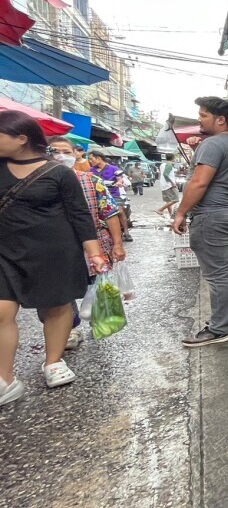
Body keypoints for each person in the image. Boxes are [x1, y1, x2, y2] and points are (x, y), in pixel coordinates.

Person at [0, 112, 110, 407]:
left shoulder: (60, 173)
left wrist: (95, 253)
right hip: (5, 252)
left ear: (21, 139)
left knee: (56, 306)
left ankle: (53, 361)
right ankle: (5, 379)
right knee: (1, 310)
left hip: (53, 251)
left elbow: (80, 215)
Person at [173, 97, 228, 347]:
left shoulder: (213, 144)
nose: (199, 119)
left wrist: (181, 212)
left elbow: (199, 182)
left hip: (213, 216)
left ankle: (218, 329)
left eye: (204, 115)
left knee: (218, 275)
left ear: (220, 120)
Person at [48, 136, 126, 349]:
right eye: (55, 151)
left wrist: (118, 244)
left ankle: (97, 315)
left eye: (66, 152)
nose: (61, 156)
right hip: (53, 247)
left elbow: (110, 212)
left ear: (76, 154)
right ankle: (69, 328)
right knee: (60, 289)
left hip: (92, 244)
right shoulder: (38, 182)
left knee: (95, 283)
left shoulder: (91, 181)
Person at [89, 152, 132, 242]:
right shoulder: (91, 170)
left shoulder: (114, 168)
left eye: (92, 159)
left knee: (120, 211)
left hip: (114, 194)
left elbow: (120, 179)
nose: (90, 161)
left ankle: (126, 232)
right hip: (99, 196)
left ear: (99, 158)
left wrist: (119, 182)